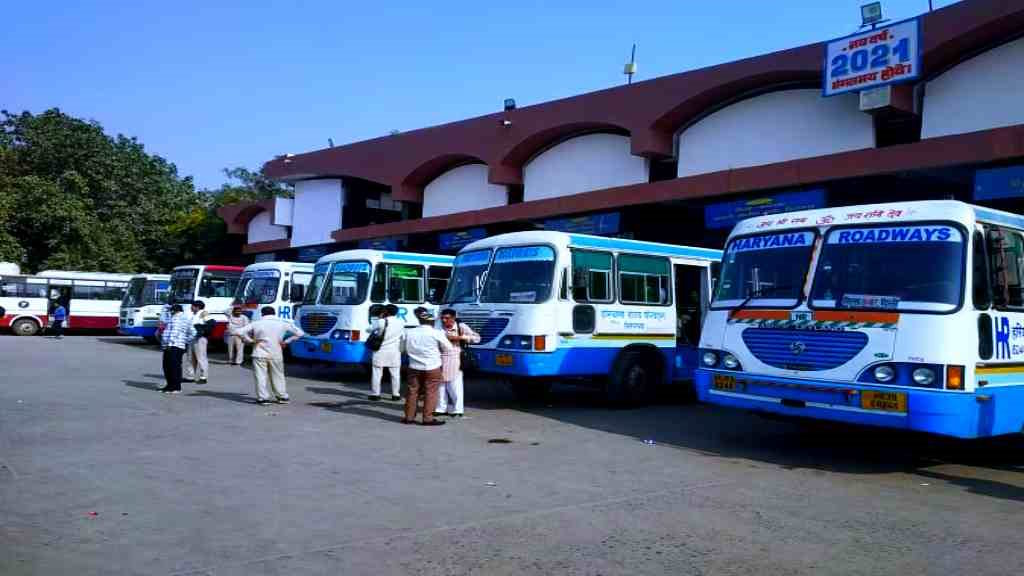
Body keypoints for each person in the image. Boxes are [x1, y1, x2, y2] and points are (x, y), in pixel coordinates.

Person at [236, 306, 305, 405]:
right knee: (278, 375)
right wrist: (286, 341)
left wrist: (250, 340)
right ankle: (282, 397)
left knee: (260, 376)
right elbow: (300, 333)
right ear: (274, 313)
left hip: (259, 352)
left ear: (262, 314)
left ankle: (263, 398)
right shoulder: (283, 323)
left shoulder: (256, 323)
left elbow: (238, 332)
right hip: (276, 352)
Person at [401, 307, 453, 426]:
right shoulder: (436, 333)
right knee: (431, 392)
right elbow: (448, 348)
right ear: (432, 322)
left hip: (414, 366)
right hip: (432, 367)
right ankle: (427, 418)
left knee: (412, 391)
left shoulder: (408, 332)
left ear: (419, 321)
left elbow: (401, 349)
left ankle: (409, 417)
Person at [435, 308, 480, 418]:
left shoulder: (461, 327)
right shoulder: (438, 327)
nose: (444, 320)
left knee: (455, 385)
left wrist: (460, 338)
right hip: (439, 357)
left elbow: (477, 338)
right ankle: (440, 408)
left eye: (447, 318)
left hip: (456, 358)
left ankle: (457, 409)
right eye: (443, 318)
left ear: (454, 318)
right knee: (440, 385)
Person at [369, 304, 404, 401]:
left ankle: (375, 394)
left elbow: (368, 329)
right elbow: (402, 336)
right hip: (395, 351)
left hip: (380, 351)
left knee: (377, 373)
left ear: (386, 312)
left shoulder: (381, 321)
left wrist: (378, 319)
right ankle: (395, 394)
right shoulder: (401, 322)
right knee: (395, 374)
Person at [160, 304, 196, 394]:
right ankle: (171, 386)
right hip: (174, 345)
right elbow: (193, 332)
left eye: (170, 310)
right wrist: (185, 341)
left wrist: (172, 342)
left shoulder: (179, 318)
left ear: (174, 310)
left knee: (171, 367)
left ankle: (175, 387)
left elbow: (175, 331)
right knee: (171, 366)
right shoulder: (179, 318)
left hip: (173, 345)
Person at [185, 300, 213, 384]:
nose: (191, 307)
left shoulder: (203, 313)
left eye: (192, 306)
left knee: (201, 358)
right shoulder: (193, 315)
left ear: (197, 306)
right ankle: (190, 376)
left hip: (200, 339)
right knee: (190, 358)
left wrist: (202, 332)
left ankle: (203, 377)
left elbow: (211, 323)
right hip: (191, 339)